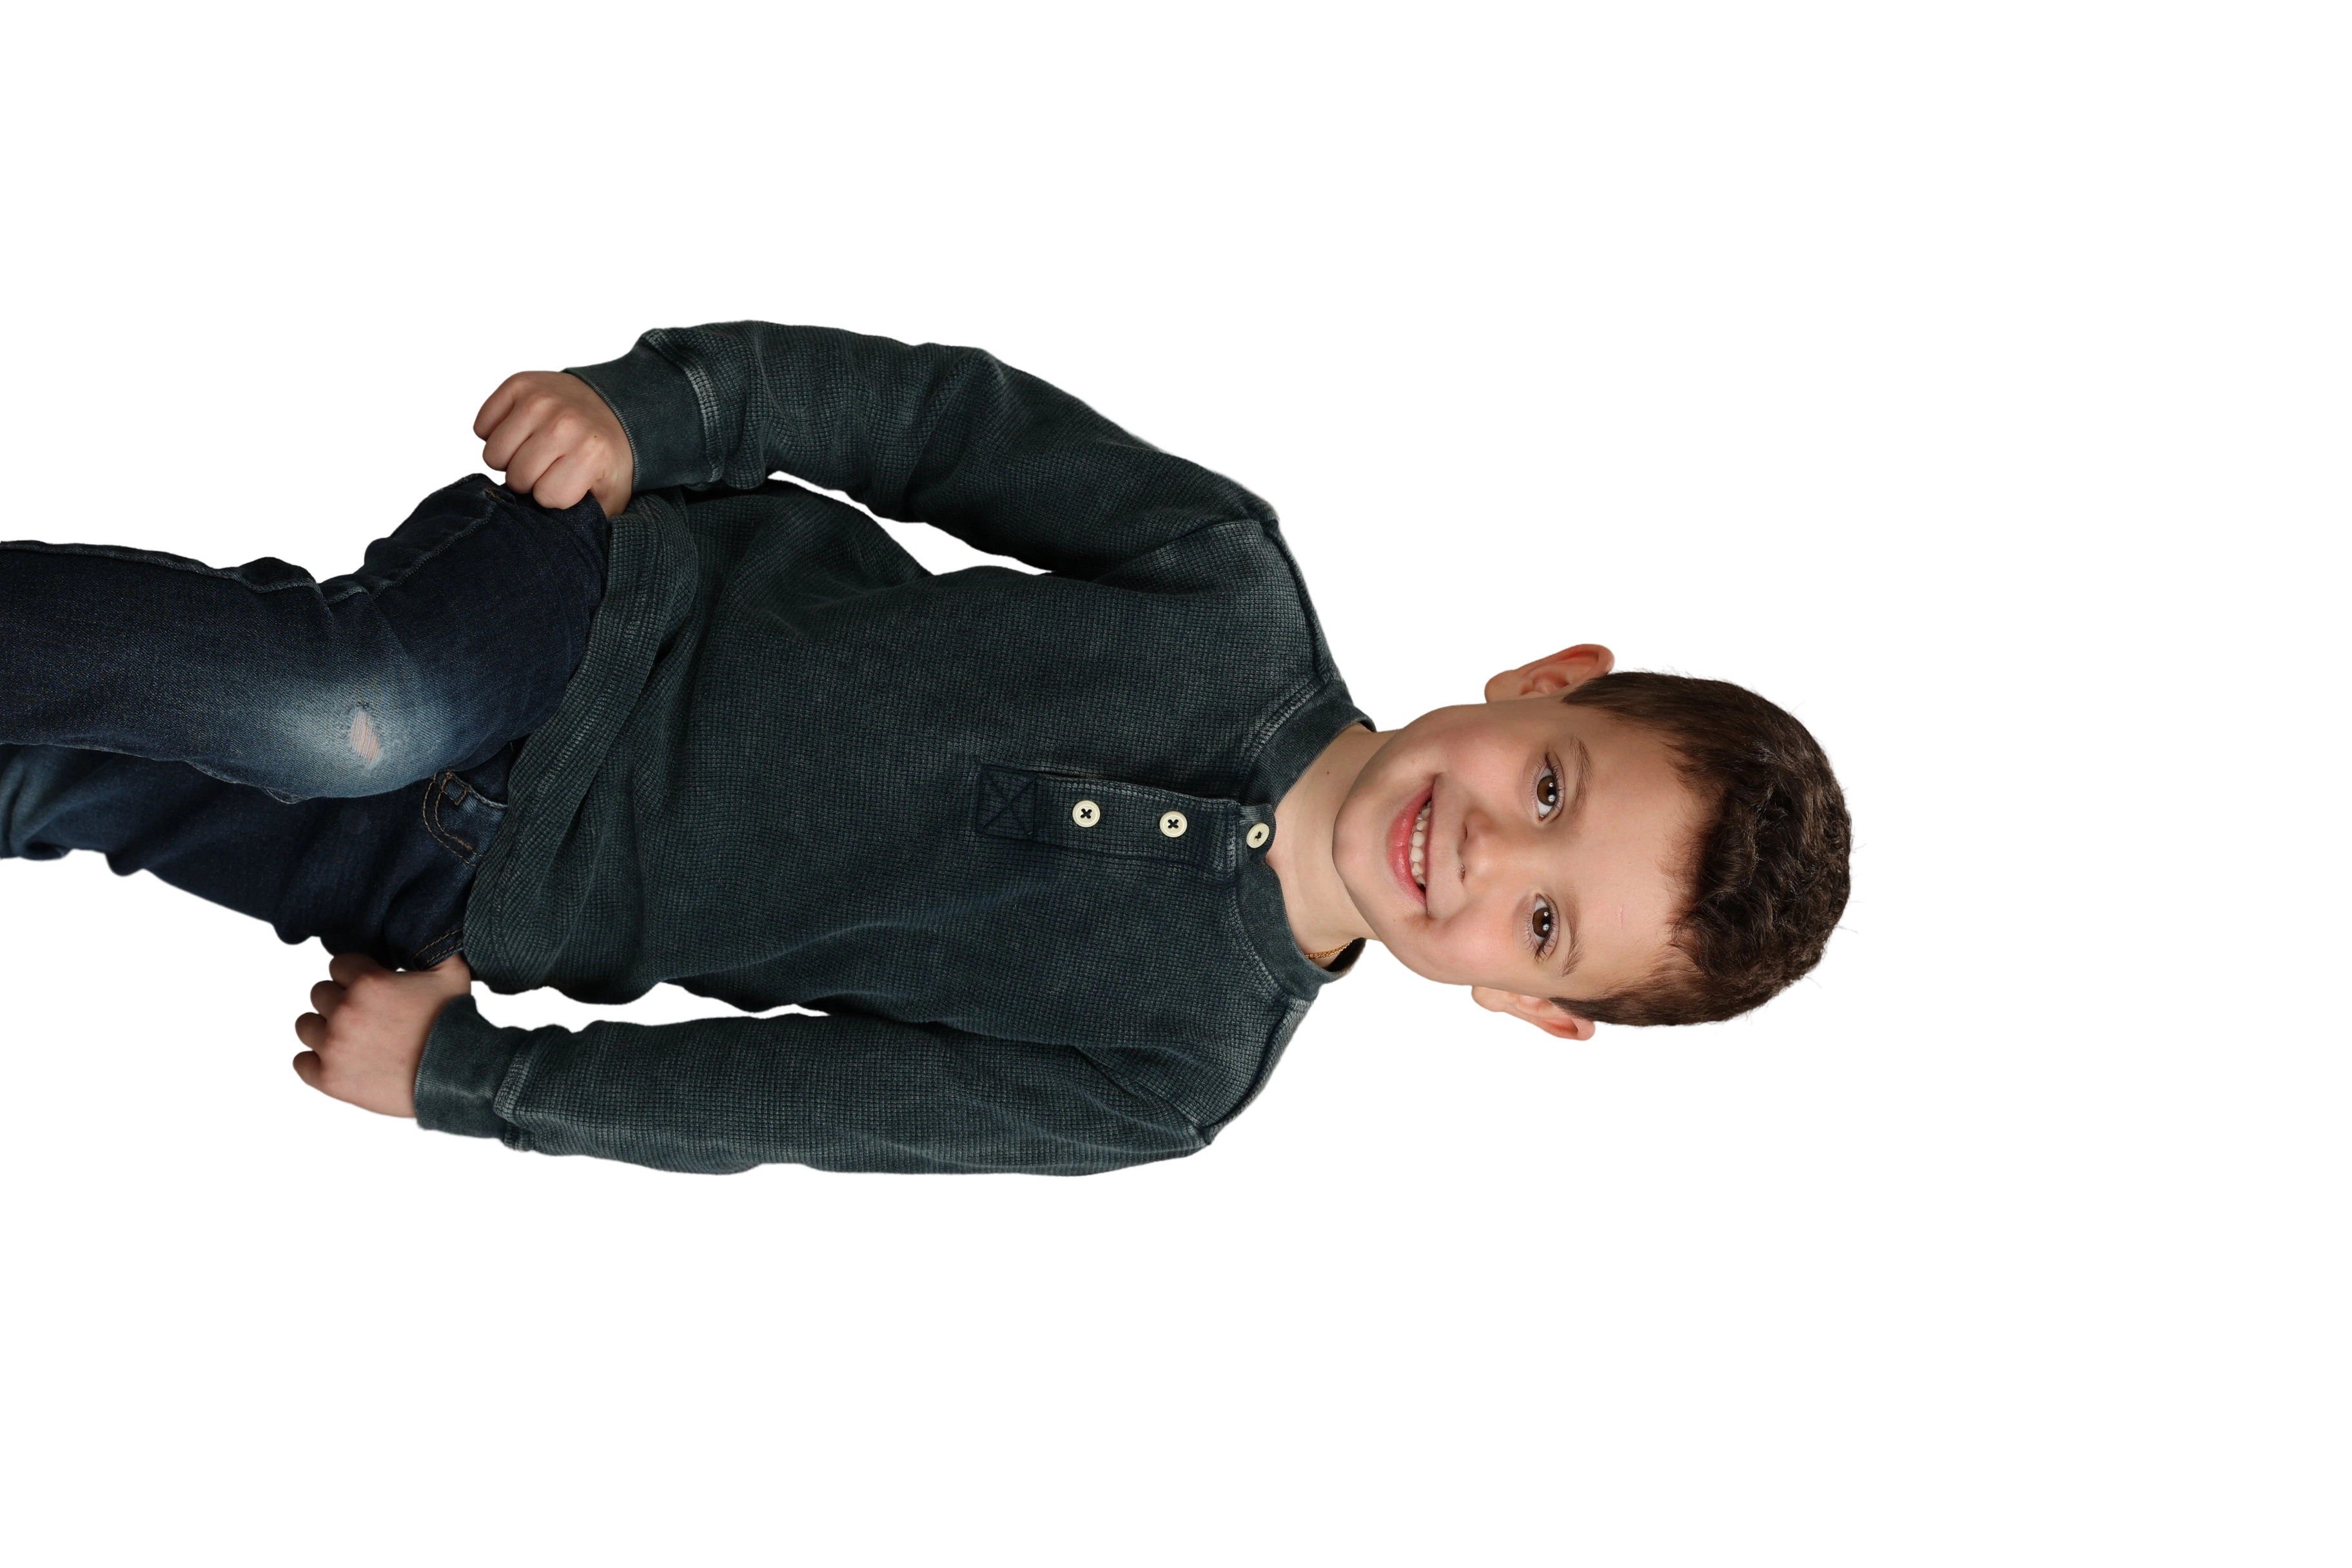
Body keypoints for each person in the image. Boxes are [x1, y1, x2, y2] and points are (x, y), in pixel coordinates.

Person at [1, 317, 1861, 1178]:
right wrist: (659, 413)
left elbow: (804, 1101)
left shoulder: (1165, 1078)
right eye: (1553, 789)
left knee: (85, 781)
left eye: (1547, 923)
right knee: (348, 709)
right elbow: (944, 424)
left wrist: (481, 1081)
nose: (1487, 854)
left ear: (1534, 1011)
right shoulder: (1226, 583)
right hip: (591, 611)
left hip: (486, 889)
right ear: (1548, 678)